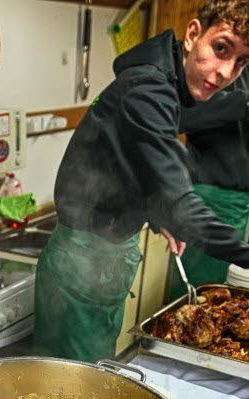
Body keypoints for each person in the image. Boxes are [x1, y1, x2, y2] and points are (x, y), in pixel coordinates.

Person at [34, 0, 249, 364]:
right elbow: (181, 201)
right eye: (221, 48)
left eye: (241, 61)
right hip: (83, 260)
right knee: (72, 384)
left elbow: (130, 161)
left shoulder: (167, 85)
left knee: (91, 372)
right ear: (193, 33)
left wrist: (158, 212)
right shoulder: (148, 88)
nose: (225, 71)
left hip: (108, 255)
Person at [168, 69, 249, 298]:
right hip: (209, 195)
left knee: (219, 294)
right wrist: (242, 103)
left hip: (238, 202)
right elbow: (179, 118)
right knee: (196, 296)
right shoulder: (216, 71)